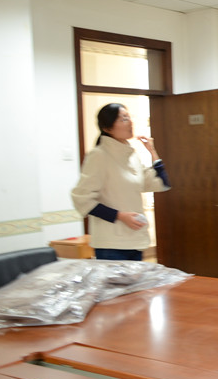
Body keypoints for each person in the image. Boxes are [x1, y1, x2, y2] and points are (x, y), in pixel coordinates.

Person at [71, 103, 170, 261]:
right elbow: (81, 199)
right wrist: (120, 216)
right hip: (111, 244)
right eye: (123, 119)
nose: (130, 122)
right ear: (107, 128)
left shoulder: (131, 156)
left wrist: (152, 151)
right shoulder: (99, 155)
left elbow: (162, 183)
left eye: (129, 117)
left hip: (135, 241)